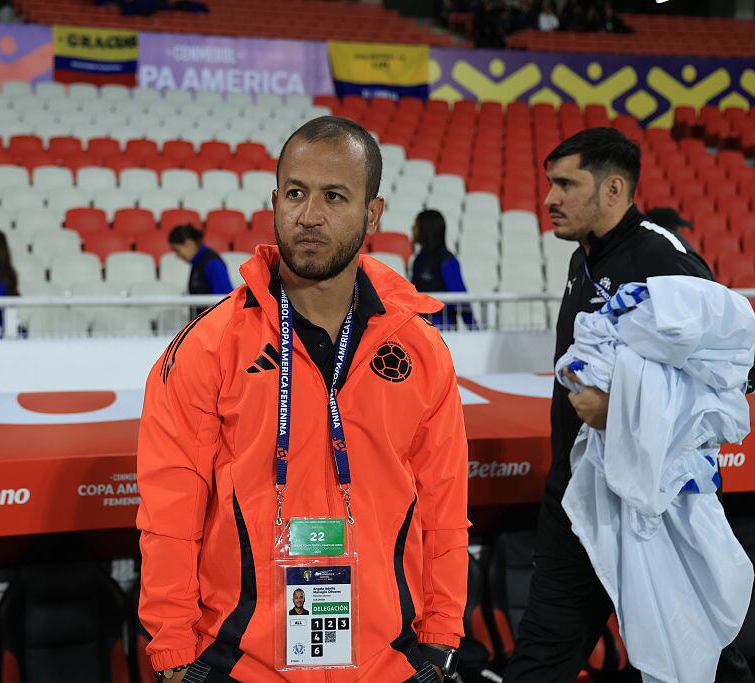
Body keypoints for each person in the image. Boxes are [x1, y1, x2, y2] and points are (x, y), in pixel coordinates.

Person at [137, 116, 469, 683]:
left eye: (334, 196)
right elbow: (170, 515)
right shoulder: (209, 346)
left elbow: (444, 510)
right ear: (274, 202)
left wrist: (439, 640)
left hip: (389, 663)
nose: (309, 215)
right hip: (240, 666)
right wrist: (173, 656)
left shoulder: (419, 350)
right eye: (295, 193)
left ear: (372, 214)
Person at [504, 127, 753, 683]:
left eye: (566, 184)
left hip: (649, 506)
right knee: (541, 658)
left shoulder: (662, 255)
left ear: (613, 189)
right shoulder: (581, 259)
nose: (549, 198)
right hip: (576, 493)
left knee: (699, 656)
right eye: (550, 184)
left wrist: (622, 407)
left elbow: (736, 374)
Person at [410, 209, 477, 331]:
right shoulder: (419, 259)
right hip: (420, 330)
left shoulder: (447, 261)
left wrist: (475, 330)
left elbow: (461, 300)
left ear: (426, 229)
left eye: (416, 225)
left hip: (444, 333)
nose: (412, 228)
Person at [168, 223, 233, 318]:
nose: (177, 256)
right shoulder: (198, 263)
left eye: (177, 250)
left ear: (189, 243)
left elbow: (225, 301)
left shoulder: (212, 264)